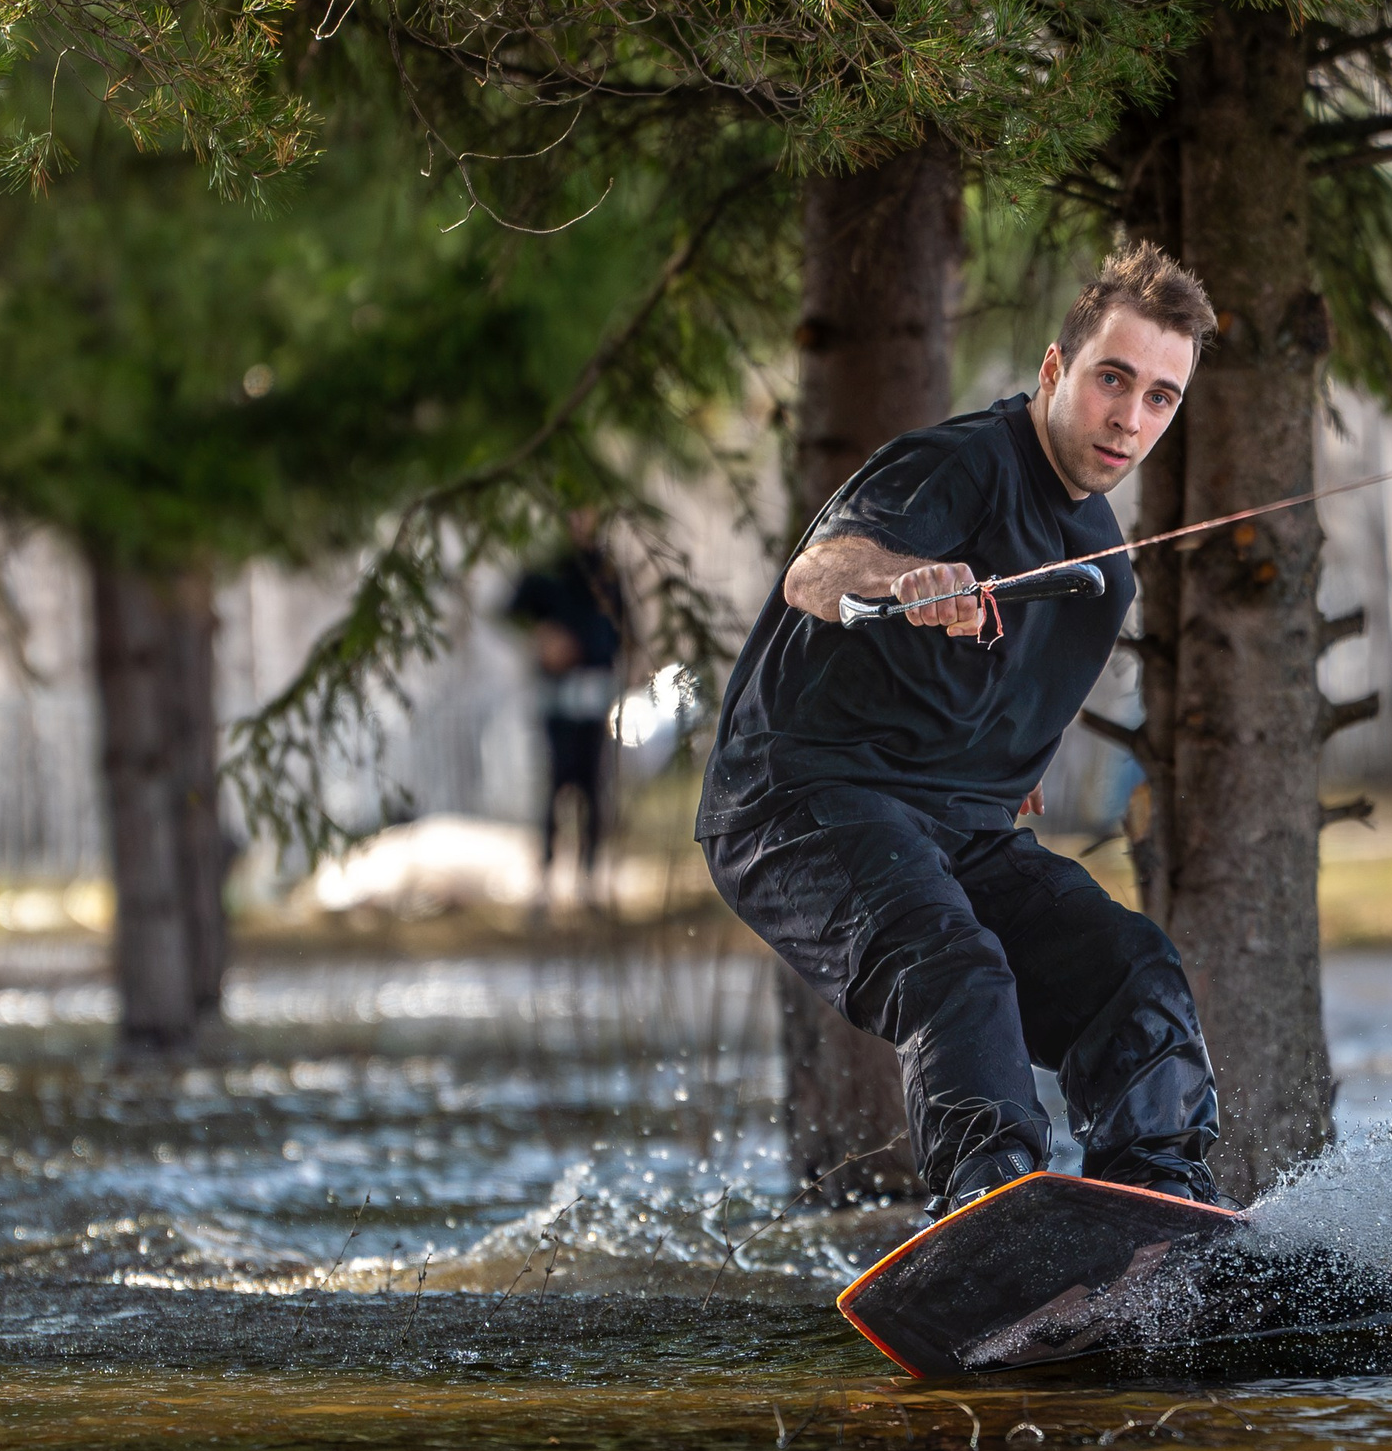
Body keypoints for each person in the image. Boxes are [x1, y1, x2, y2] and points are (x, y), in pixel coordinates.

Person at [699, 241, 1223, 1216]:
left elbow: (1012, 723)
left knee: (1133, 969)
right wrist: (906, 581)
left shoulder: (1103, 570)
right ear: (1055, 370)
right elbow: (815, 573)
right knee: (955, 967)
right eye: (1112, 378)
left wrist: (1000, 772)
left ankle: (1158, 1216)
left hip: (958, 831)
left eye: (1160, 395)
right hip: (796, 802)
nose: (1130, 416)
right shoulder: (957, 466)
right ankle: (996, 1208)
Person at [506, 509, 630, 893]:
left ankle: (588, 878)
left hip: (593, 698)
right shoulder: (548, 571)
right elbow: (512, 613)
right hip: (556, 699)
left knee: (592, 785)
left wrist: (590, 649)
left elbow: (622, 630)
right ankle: (546, 875)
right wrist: (543, 639)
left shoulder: (607, 573)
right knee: (556, 784)